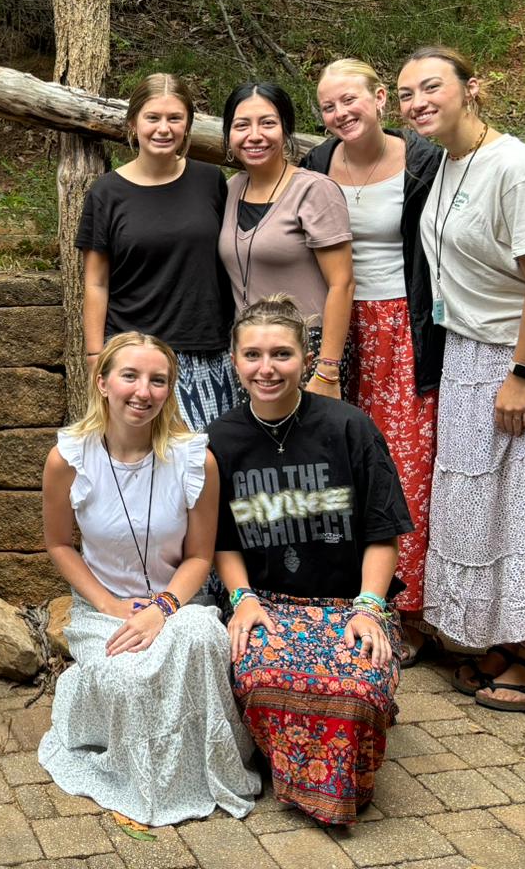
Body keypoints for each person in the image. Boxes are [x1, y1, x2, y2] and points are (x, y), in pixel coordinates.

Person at [396, 45, 525, 712]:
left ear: (471, 88)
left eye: (431, 87)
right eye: (406, 94)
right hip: (470, 352)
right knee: (482, 506)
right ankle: (507, 642)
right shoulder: (447, 163)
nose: (418, 102)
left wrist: (522, 373)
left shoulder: (516, 166)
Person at [37, 332, 259, 825]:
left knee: (203, 638)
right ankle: (137, 766)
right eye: (130, 376)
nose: (143, 391)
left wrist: (163, 608)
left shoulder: (195, 460)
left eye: (158, 380)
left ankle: (208, 769)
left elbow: (199, 555)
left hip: (178, 603)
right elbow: (59, 545)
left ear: (169, 389)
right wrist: (110, 605)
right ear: (103, 382)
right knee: (130, 679)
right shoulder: (68, 459)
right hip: (105, 609)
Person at [210, 295, 413, 827]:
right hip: (266, 601)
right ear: (234, 361)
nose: (267, 368)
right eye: (253, 355)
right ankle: (294, 775)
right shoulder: (219, 440)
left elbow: (382, 531)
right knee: (263, 677)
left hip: (349, 601)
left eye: (281, 354)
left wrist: (369, 607)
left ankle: (341, 782)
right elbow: (221, 539)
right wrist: (242, 598)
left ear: (305, 358)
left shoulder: (350, 428)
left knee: (358, 688)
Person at [304, 59, 444, 665]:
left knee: (405, 466)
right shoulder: (315, 165)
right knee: (339, 468)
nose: (341, 114)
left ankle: (405, 609)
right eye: (328, 106)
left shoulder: (423, 161)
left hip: (403, 328)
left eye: (350, 100)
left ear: (380, 97)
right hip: (337, 330)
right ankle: (345, 595)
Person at [77, 74, 234, 429]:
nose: (164, 128)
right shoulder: (106, 193)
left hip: (207, 351)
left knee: (206, 457)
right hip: (135, 356)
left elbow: (229, 261)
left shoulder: (210, 181)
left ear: (188, 125)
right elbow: (96, 282)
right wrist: (95, 355)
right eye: (153, 118)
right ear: (133, 123)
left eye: (174, 118)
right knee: (139, 456)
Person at [217, 81, 354, 396]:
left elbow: (342, 283)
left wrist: (327, 369)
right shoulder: (232, 188)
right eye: (242, 125)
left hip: (305, 348)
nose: (254, 135)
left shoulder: (315, 190)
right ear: (228, 135)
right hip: (249, 349)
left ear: (286, 129)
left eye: (267, 123)